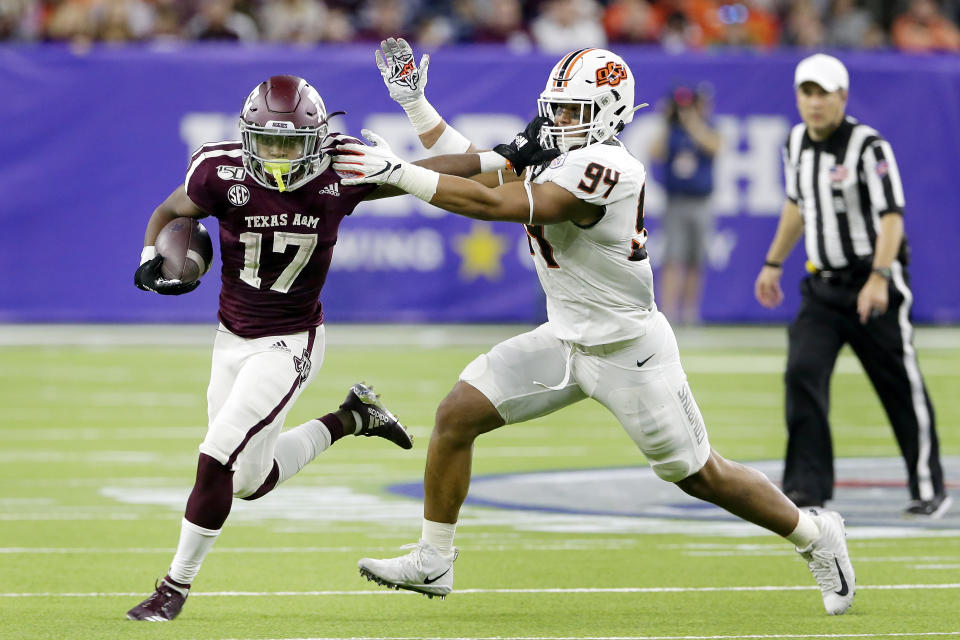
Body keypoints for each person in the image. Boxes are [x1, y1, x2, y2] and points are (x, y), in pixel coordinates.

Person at [332, 41, 857, 615]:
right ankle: (435, 558)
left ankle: (813, 534)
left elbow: (493, 204)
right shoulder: (560, 145)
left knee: (700, 475)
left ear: (609, 112)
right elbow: (473, 162)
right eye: (555, 108)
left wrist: (399, 173)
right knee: (457, 414)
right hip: (564, 339)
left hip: (628, 351)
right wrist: (411, 110)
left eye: (571, 111)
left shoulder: (610, 168)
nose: (556, 121)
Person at [125, 74, 417, 622]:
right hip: (230, 337)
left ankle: (172, 588)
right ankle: (354, 418)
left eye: (291, 143)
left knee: (216, 455)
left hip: (290, 342)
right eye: (269, 141)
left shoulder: (344, 170)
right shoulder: (220, 170)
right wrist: (149, 254)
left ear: (317, 140)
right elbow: (169, 213)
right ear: (246, 135)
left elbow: (435, 177)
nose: (279, 155)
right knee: (250, 483)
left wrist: (503, 159)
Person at [754, 53, 951, 519]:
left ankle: (929, 487)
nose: (815, 102)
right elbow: (796, 205)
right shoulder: (795, 142)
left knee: (900, 386)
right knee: (802, 373)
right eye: (807, 92)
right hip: (821, 286)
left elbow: (891, 217)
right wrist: (772, 262)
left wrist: (880, 277)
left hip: (871, 283)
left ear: (842, 96)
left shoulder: (868, 147)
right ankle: (806, 489)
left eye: (824, 93)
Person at [649, 82, 720, 325]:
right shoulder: (672, 131)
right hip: (676, 202)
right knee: (673, 258)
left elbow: (716, 147)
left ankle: (690, 314)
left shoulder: (707, 127)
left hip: (701, 202)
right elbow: (655, 153)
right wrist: (667, 123)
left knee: (695, 260)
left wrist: (692, 123)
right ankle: (667, 313)